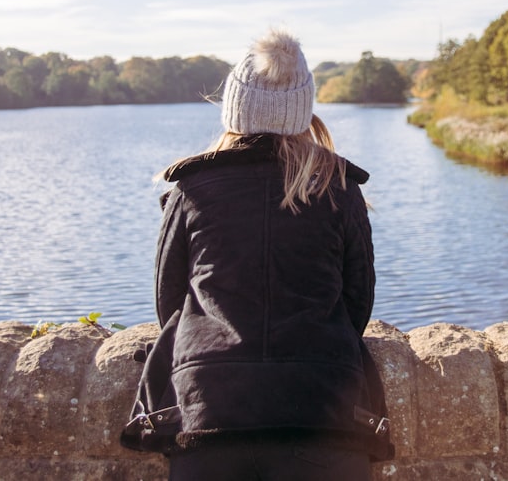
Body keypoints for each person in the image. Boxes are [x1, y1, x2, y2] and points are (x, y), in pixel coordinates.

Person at [121, 28, 392, 480]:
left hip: (208, 410)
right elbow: (357, 303)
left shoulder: (192, 187)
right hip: (324, 412)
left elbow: (169, 303)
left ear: (234, 108)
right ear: (303, 108)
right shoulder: (338, 186)